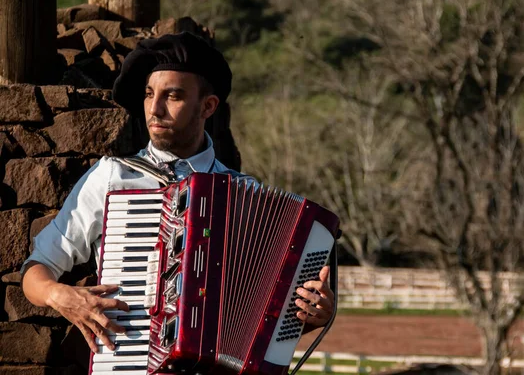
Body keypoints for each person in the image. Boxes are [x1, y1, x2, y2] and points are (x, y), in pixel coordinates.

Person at [21, 32, 334, 355]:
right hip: (128, 362)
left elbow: (265, 316)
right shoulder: (113, 176)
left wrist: (308, 316)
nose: (154, 110)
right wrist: (60, 296)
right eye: (148, 94)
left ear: (207, 106)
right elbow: (37, 268)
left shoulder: (244, 192)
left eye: (172, 96)